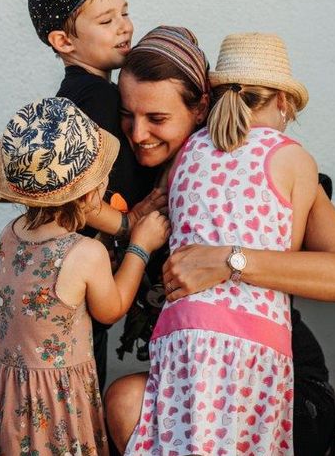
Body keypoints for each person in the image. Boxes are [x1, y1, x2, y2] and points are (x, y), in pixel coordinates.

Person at [0, 26, 335, 455]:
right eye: (127, 114)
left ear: (200, 109)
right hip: (192, 376)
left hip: (274, 376)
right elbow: (9, 181)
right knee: (123, 402)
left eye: (157, 119)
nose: (138, 133)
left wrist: (230, 260)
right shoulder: (116, 173)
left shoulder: (259, 171)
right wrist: (123, 223)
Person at [0, 0, 166, 390]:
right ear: (63, 41)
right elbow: (75, 196)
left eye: (125, 13)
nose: (124, 27)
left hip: (61, 273)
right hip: (81, 270)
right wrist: (128, 226)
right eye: (106, 20)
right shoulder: (97, 100)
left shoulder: (70, 98)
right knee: (78, 378)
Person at [123, 32, 318, 454]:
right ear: (283, 102)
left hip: (180, 333)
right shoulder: (292, 157)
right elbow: (287, 254)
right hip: (255, 337)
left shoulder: (187, 153)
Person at [0, 97, 170, 456]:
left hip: (9, 396)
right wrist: (141, 247)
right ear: (91, 193)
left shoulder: (9, 234)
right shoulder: (84, 253)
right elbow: (112, 309)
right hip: (55, 403)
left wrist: (10, 151)